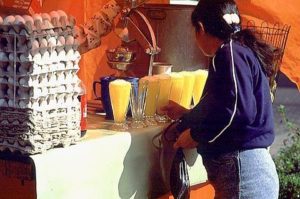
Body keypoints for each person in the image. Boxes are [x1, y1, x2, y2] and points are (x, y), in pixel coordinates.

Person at [161, 0, 279, 198]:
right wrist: (188, 115)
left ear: (201, 28)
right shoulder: (240, 51)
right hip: (247, 175)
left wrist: (196, 135)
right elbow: (226, 107)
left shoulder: (229, 53)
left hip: (244, 175)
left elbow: (238, 112)